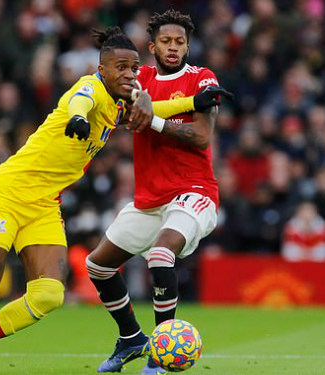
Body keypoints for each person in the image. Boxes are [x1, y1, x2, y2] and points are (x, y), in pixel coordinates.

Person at [0, 27, 206, 375]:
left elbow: (157, 108)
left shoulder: (121, 103)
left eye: (134, 68)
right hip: (8, 191)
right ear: (101, 68)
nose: (129, 74)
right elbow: (81, 101)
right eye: (120, 67)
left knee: (49, 295)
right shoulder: (88, 87)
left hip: (44, 203)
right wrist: (77, 117)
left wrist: (195, 102)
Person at [86, 11, 232, 375]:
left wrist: (151, 118)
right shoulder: (141, 78)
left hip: (193, 191)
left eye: (180, 42)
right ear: (152, 47)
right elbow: (122, 113)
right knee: (98, 265)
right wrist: (145, 112)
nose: (173, 48)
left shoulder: (202, 79)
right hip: (150, 198)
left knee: (161, 254)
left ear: (188, 46)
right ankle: (131, 338)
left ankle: (161, 355)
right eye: (166, 42)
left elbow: (201, 137)